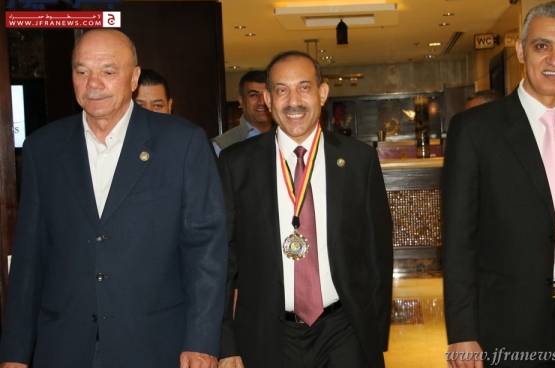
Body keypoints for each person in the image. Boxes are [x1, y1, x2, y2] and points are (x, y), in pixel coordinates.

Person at [0, 29, 227, 368]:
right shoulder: (43, 148)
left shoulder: (182, 144)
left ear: (134, 78)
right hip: (64, 346)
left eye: (108, 71)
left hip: (155, 345)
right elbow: (29, 258)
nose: (93, 83)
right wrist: (14, 353)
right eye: (82, 71)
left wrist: (202, 341)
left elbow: (206, 251)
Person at [443, 1, 555, 368]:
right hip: (511, 320)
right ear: (520, 51)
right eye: (542, 45)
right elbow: (458, 240)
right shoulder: (476, 130)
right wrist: (462, 331)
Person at [217, 51, 393, 368]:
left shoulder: (358, 160)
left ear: (322, 93)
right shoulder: (236, 164)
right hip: (266, 336)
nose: (293, 101)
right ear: (268, 99)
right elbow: (222, 261)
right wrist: (227, 345)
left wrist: (375, 334)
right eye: (281, 90)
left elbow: (377, 253)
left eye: (304, 87)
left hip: (344, 331)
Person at [212, 70, 272, 155]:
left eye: (267, 95)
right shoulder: (222, 145)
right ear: (241, 101)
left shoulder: (287, 136)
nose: (262, 102)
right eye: (253, 95)